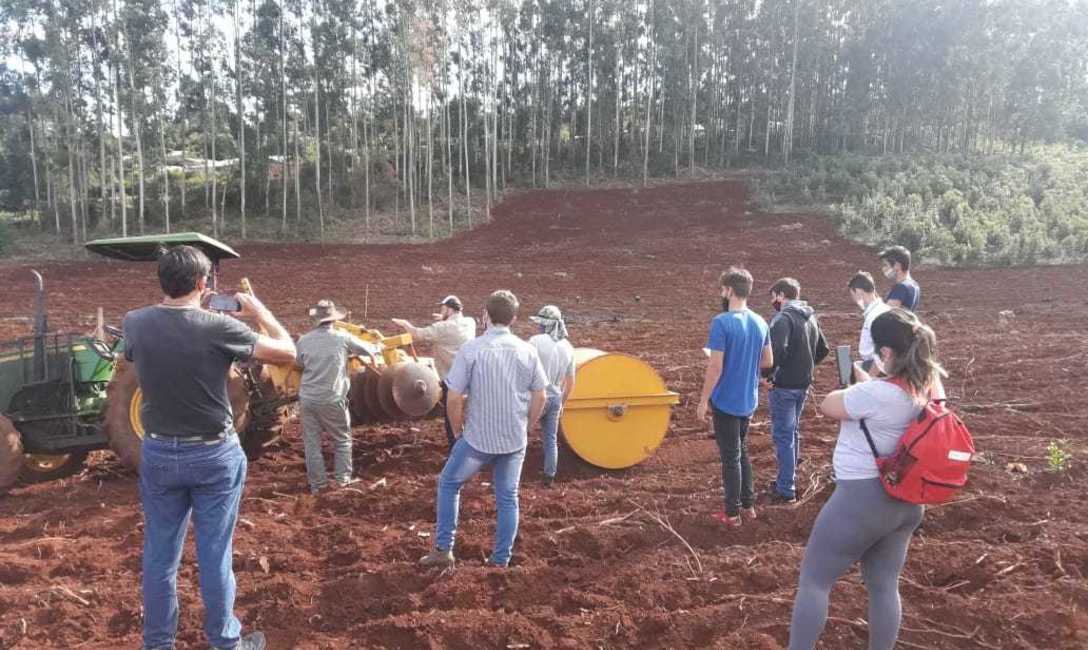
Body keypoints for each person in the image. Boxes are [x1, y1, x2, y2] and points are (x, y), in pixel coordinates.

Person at [123, 246, 296, 650]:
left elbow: (141, 350)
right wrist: (258, 311)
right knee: (215, 554)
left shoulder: (135, 323)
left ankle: (158, 644)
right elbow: (288, 352)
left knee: (160, 557)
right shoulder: (217, 327)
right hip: (213, 454)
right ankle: (226, 642)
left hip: (160, 453)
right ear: (204, 285)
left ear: (162, 281)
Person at [788, 309, 946, 650]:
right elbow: (882, 396)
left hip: (862, 500)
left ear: (886, 353)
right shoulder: (924, 391)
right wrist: (866, 382)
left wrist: (858, 385)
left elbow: (830, 405)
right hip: (906, 504)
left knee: (814, 581)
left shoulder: (874, 394)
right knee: (884, 585)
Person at [419, 290, 548, 569]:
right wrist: (527, 425)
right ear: (514, 318)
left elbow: (454, 397)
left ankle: (443, 550)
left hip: (477, 440)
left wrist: (457, 432)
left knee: (449, 484)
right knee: (508, 497)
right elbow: (541, 395)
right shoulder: (528, 350)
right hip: (514, 440)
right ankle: (500, 559)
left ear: (485, 315)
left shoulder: (473, 350)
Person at [696, 267, 773, 527]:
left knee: (730, 458)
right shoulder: (761, 321)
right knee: (741, 452)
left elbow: (715, 367)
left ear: (729, 290)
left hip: (726, 400)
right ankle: (748, 506)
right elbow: (768, 360)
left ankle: (732, 513)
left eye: (722, 289)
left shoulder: (722, 322)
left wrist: (703, 400)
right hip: (747, 399)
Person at [296, 299, 380, 494]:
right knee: (342, 440)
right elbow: (369, 350)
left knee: (311, 443)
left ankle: (317, 485)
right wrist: (375, 345)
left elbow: (299, 363)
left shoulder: (303, 340)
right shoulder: (342, 338)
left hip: (307, 398)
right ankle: (342, 481)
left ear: (316, 320)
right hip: (332, 398)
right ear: (334, 319)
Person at [764, 278, 829, 504]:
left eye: (773, 297)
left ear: (781, 295)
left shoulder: (783, 318)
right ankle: (787, 480)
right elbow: (823, 349)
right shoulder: (810, 316)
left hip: (784, 387)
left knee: (783, 435)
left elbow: (776, 353)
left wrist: (767, 376)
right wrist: (806, 367)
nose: (773, 301)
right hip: (802, 385)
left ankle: (785, 489)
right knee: (791, 433)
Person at [392, 295, 477, 448]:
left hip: (451, 380)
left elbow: (417, 334)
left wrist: (405, 324)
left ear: (450, 310)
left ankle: (456, 449)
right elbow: (453, 326)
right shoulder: (470, 323)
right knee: (468, 414)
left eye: (443, 308)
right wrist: (444, 319)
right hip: (470, 377)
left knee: (451, 418)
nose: (440, 311)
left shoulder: (441, 328)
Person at [528, 305, 576, 487]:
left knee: (521, 432)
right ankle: (549, 477)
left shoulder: (535, 341)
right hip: (556, 396)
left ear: (544, 324)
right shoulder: (568, 347)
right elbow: (570, 381)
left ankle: (511, 472)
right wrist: (562, 402)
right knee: (550, 438)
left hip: (537, 396)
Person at [848, 270, 891, 375]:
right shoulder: (881, 310)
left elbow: (884, 353)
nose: (854, 300)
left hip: (878, 370)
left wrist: (869, 379)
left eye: (853, 295)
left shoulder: (876, 315)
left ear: (858, 292)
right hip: (874, 365)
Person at [879, 246, 921, 311]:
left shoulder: (901, 288)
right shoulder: (914, 285)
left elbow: (886, 317)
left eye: (885, 265)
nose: (883, 268)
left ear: (897, 265)